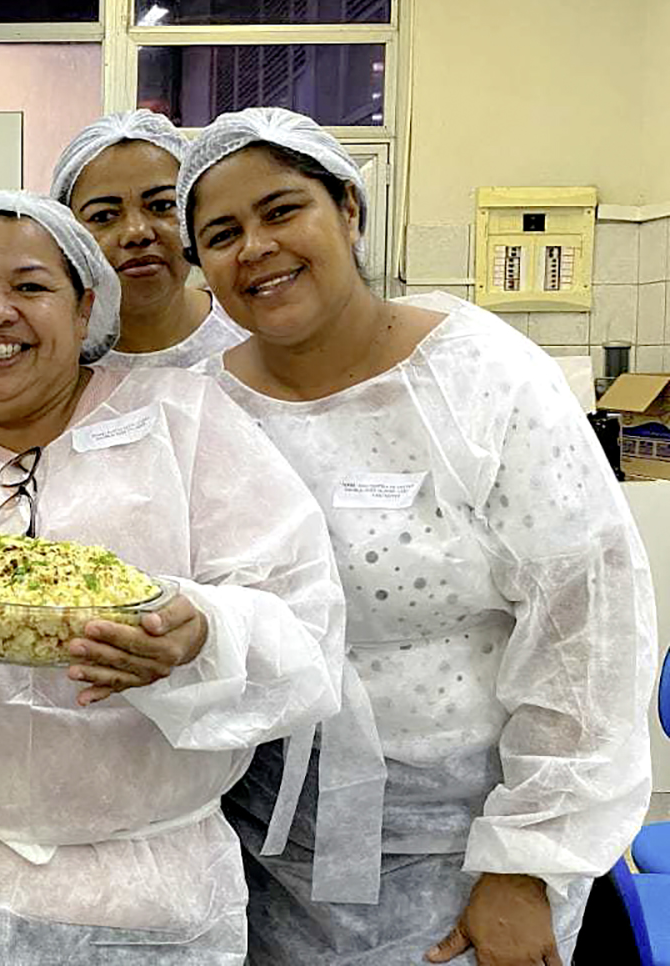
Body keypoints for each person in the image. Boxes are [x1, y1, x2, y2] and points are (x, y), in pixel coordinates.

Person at [0, 189, 348, 964]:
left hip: (141, 900)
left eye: (31, 287)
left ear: (85, 310)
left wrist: (201, 633)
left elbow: (303, 624)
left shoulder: (187, 424)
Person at [179, 106, 656, 966]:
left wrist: (529, 863)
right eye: (222, 232)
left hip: (464, 857)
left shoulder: (480, 380)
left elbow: (586, 631)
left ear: (350, 210)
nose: (255, 246)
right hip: (258, 853)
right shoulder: (202, 408)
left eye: (282, 210)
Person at [50, 109, 246, 369]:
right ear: (69, 236)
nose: (137, 232)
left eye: (162, 205)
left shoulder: (252, 331)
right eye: (104, 215)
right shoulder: (52, 360)